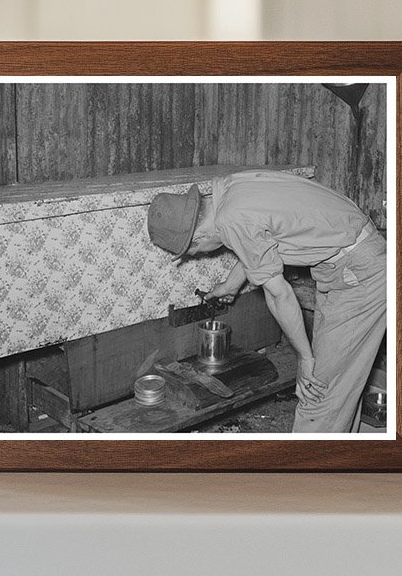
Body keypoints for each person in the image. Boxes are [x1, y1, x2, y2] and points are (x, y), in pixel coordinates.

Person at [146, 170, 386, 433]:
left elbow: (279, 294)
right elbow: (259, 240)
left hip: (358, 272)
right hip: (352, 260)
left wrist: (304, 359)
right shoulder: (228, 189)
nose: (198, 254)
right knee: (340, 383)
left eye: (193, 251)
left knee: (318, 389)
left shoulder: (231, 220)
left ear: (198, 239)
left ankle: (306, 470)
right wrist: (231, 284)